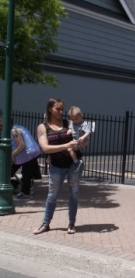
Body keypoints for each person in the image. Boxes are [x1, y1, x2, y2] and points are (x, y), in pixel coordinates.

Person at [33, 98, 86, 235]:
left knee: (73, 193)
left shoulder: (68, 123)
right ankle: (46, 223)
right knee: (52, 195)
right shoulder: (42, 127)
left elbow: (82, 134)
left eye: (63, 109)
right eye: (58, 109)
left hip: (73, 164)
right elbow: (45, 148)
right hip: (56, 166)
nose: (61, 112)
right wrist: (66, 146)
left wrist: (83, 141)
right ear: (50, 108)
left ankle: (71, 223)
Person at [11, 122, 42, 200]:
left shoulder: (14, 131)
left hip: (28, 154)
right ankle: (16, 184)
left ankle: (25, 194)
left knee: (26, 173)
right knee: (13, 170)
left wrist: (12, 154)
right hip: (30, 152)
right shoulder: (18, 127)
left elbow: (21, 145)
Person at [67, 106, 91, 171]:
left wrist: (83, 137)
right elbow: (70, 129)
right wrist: (69, 131)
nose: (75, 121)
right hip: (74, 140)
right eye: (73, 119)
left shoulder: (84, 124)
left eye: (76, 119)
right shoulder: (72, 124)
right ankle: (76, 160)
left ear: (81, 116)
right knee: (70, 149)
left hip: (81, 140)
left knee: (69, 149)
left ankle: (76, 161)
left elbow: (88, 132)